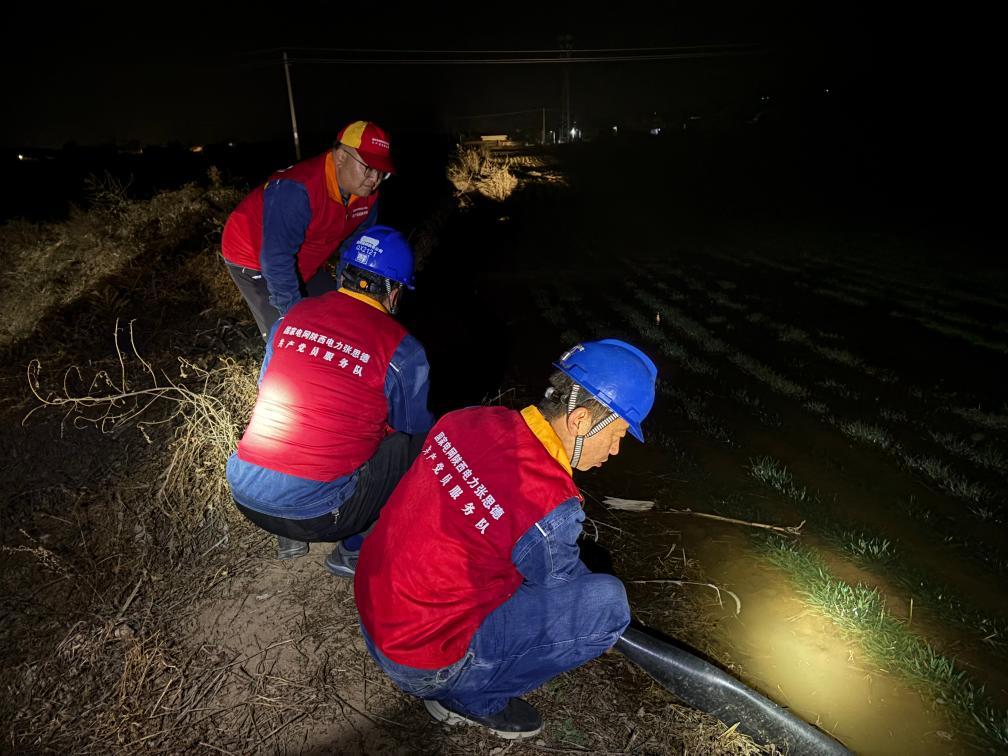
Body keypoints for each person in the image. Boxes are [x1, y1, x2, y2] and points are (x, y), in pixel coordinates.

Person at [354, 340, 657, 739]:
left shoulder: (467, 419)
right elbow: (565, 589)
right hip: (422, 660)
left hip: (375, 613)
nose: (615, 450)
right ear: (581, 421)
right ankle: (470, 699)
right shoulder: (549, 502)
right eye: (617, 434)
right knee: (607, 605)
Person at [226, 225, 434, 576]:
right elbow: (412, 429)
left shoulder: (290, 318)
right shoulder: (402, 349)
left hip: (245, 494)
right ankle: (351, 551)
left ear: (341, 273)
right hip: (319, 514)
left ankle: (286, 538)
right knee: (416, 445)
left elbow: (267, 387)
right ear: (395, 293)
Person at [221, 120, 394, 339]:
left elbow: (357, 248)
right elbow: (276, 260)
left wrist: (348, 290)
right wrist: (294, 318)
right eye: (368, 168)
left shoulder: (368, 196)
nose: (375, 179)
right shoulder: (297, 189)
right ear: (340, 156)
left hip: (305, 256)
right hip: (253, 257)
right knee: (290, 337)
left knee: (340, 318)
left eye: (382, 172)